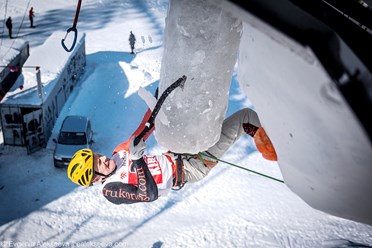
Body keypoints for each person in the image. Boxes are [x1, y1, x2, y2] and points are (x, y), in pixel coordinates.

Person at [67, 108, 277, 205]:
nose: (103, 158)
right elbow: (146, 195)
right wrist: (139, 160)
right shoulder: (111, 190)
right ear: (96, 178)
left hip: (179, 150)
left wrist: (157, 105)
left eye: (97, 155)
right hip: (192, 167)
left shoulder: (118, 152)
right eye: (98, 164)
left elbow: (142, 130)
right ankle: (276, 152)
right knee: (245, 118)